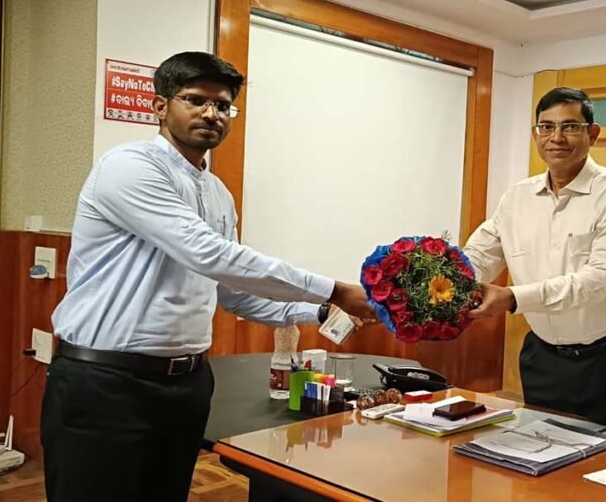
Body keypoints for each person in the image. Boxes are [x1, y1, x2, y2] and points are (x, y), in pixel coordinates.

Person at [41, 51, 375, 502]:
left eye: (222, 105)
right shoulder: (129, 166)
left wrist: (322, 310)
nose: (211, 114)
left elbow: (233, 293)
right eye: (195, 100)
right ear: (160, 106)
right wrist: (335, 289)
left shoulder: (217, 193)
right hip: (105, 381)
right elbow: (210, 255)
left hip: (187, 384)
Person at [464, 87, 606, 431]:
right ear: (535, 134)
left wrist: (512, 298)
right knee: (542, 451)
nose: (556, 137)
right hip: (544, 360)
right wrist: (432, 286)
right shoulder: (516, 198)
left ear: (593, 133)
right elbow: (478, 256)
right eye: (546, 127)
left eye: (570, 126)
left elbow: (600, 278)